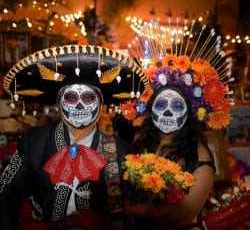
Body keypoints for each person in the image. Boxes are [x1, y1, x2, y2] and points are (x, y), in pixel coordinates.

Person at [0, 44, 148, 230]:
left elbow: (136, 210)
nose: (79, 107)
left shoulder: (119, 150)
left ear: (100, 104)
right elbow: (5, 193)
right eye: (70, 98)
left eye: (88, 98)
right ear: (59, 103)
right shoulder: (33, 142)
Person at [121, 19, 232, 229]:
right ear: (150, 108)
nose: (168, 112)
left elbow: (179, 215)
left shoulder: (200, 158)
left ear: (189, 114)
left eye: (177, 106)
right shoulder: (141, 142)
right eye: (161, 104)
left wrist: (127, 207)